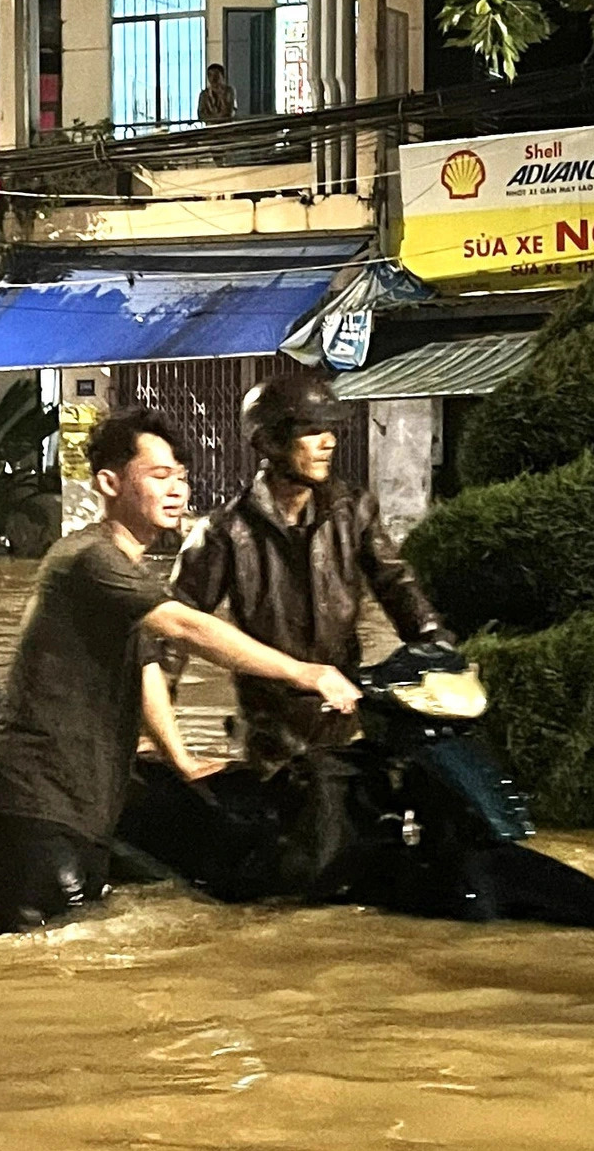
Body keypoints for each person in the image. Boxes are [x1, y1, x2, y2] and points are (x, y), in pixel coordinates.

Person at [0, 406, 360, 935]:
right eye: (158, 476)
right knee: (40, 971)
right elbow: (186, 628)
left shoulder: (126, 571)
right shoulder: (89, 558)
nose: (177, 489)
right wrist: (306, 673)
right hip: (35, 808)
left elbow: (146, 665)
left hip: (82, 810)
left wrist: (178, 756)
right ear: (109, 483)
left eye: (181, 476)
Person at [147, 372, 450, 893]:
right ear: (269, 442)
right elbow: (175, 631)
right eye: (312, 430)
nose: (329, 441)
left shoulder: (353, 510)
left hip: (350, 720)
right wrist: (153, 729)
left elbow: (397, 583)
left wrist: (437, 644)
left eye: (331, 429)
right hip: (273, 734)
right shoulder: (223, 533)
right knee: (300, 874)